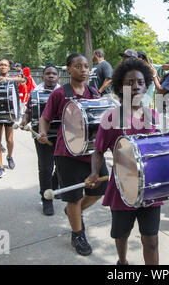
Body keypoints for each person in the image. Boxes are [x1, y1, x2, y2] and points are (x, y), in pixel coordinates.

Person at [86, 58, 161, 265]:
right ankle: (122, 261)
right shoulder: (110, 118)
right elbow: (98, 151)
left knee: (152, 240)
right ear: (120, 87)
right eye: (130, 82)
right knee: (121, 234)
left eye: (140, 82)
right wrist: (94, 172)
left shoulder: (154, 116)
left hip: (150, 187)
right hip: (121, 187)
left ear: (146, 85)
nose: (136, 86)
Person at [38, 53, 108, 256]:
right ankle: (78, 234)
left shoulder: (94, 92)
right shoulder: (60, 93)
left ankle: (72, 212)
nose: (84, 69)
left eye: (86, 66)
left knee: (99, 189)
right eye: (78, 66)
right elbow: (45, 117)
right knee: (74, 197)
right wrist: (43, 132)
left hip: (92, 152)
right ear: (68, 69)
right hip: (67, 153)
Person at [20, 65, 61, 216]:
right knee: (45, 168)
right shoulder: (35, 93)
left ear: (58, 77)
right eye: (47, 74)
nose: (51, 76)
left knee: (62, 165)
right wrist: (25, 121)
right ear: (43, 76)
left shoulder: (64, 92)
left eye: (54, 74)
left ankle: (54, 187)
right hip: (41, 136)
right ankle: (46, 199)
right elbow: (29, 111)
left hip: (61, 136)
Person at [0, 58, 26, 179]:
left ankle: (9, 157)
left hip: (9, 112)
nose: (3, 67)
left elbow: (23, 80)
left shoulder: (13, 79)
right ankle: (0, 167)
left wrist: (6, 79)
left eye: (5, 65)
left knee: (9, 140)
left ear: (9, 67)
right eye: (0, 65)